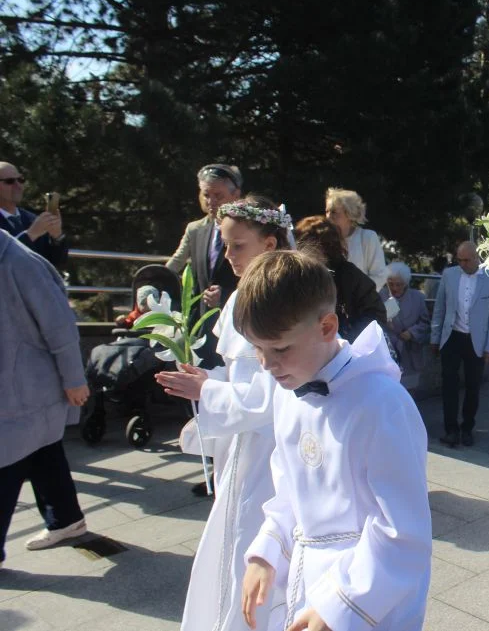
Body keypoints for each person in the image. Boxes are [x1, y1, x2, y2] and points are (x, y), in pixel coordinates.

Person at [236, 250, 431, 631]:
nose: (266, 364)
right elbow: (289, 486)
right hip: (307, 577)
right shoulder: (287, 388)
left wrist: (340, 604)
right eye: (257, 348)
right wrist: (267, 550)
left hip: (370, 592)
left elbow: (401, 528)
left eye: (279, 348)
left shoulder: (382, 404)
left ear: (327, 327)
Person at [155, 197, 291, 631]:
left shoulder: (271, 301)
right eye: (226, 245)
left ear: (269, 244)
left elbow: (266, 396)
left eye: (238, 246)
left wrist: (207, 391)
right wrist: (210, 376)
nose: (228, 256)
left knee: (246, 540)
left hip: (265, 445)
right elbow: (243, 376)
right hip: (245, 441)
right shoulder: (243, 297)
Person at [1, 229, 89, 566]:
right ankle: (66, 519)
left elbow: (60, 326)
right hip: (18, 389)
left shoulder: (19, 261)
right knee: (43, 452)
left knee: (7, 464)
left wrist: (75, 379)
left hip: (25, 389)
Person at [167, 164, 243, 369]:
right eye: (206, 195)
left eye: (218, 195)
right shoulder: (195, 229)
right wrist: (152, 283)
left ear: (236, 194)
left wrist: (226, 295)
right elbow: (175, 263)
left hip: (236, 326)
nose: (211, 202)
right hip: (199, 325)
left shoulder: (247, 228)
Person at [430, 241, 489, 448]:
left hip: (476, 340)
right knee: (449, 385)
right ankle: (451, 430)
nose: (462, 264)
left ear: (477, 258)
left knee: (473, 387)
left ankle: (467, 428)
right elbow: (440, 308)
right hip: (451, 336)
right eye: (459, 260)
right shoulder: (449, 275)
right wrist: (435, 338)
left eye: (466, 260)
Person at [294, 216, 386, 342]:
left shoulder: (349, 275)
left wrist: (346, 340)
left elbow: (375, 314)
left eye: (304, 242)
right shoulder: (298, 275)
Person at [0, 162, 69, 267]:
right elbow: (4, 260)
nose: (18, 186)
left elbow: (57, 263)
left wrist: (56, 236)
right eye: (10, 181)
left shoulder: (32, 219)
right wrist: (30, 235)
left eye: (20, 180)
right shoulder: (36, 226)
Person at [324, 188, 388, 289]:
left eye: (334, 212)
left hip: (361, 302)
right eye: (327, 211)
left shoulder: (367, 238)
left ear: (350, 214)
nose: (328, 217)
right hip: (329, 302)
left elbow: (379, 275)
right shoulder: (323, 239)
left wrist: (358, 296)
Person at [382, 262, 431, 389]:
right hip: (388, 356)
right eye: (390, 283)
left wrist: (412, 333)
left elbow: (426, 323)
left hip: (411, 354)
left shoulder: (418, 297)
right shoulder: (379, 297)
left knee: (410, 395)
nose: (394, 288)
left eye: (399, 284)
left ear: (406, 283)